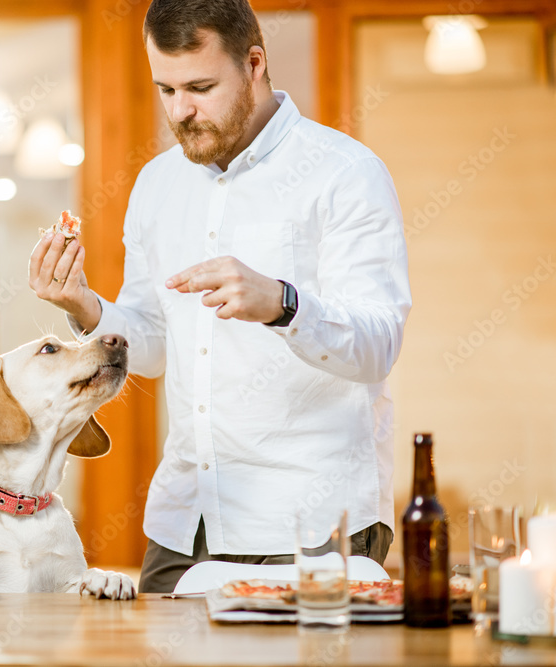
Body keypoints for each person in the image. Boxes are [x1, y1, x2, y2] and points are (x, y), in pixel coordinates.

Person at [29, 0, 411, 593]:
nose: (180, 110)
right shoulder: (158, 184)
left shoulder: (345, 173)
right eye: (166, 89)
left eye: (201, 86)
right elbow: (153, 345)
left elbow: (378, 346)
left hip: (313, 523)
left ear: (254, 63)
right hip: (188, 520)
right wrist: (84, 305)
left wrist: (282, 303)